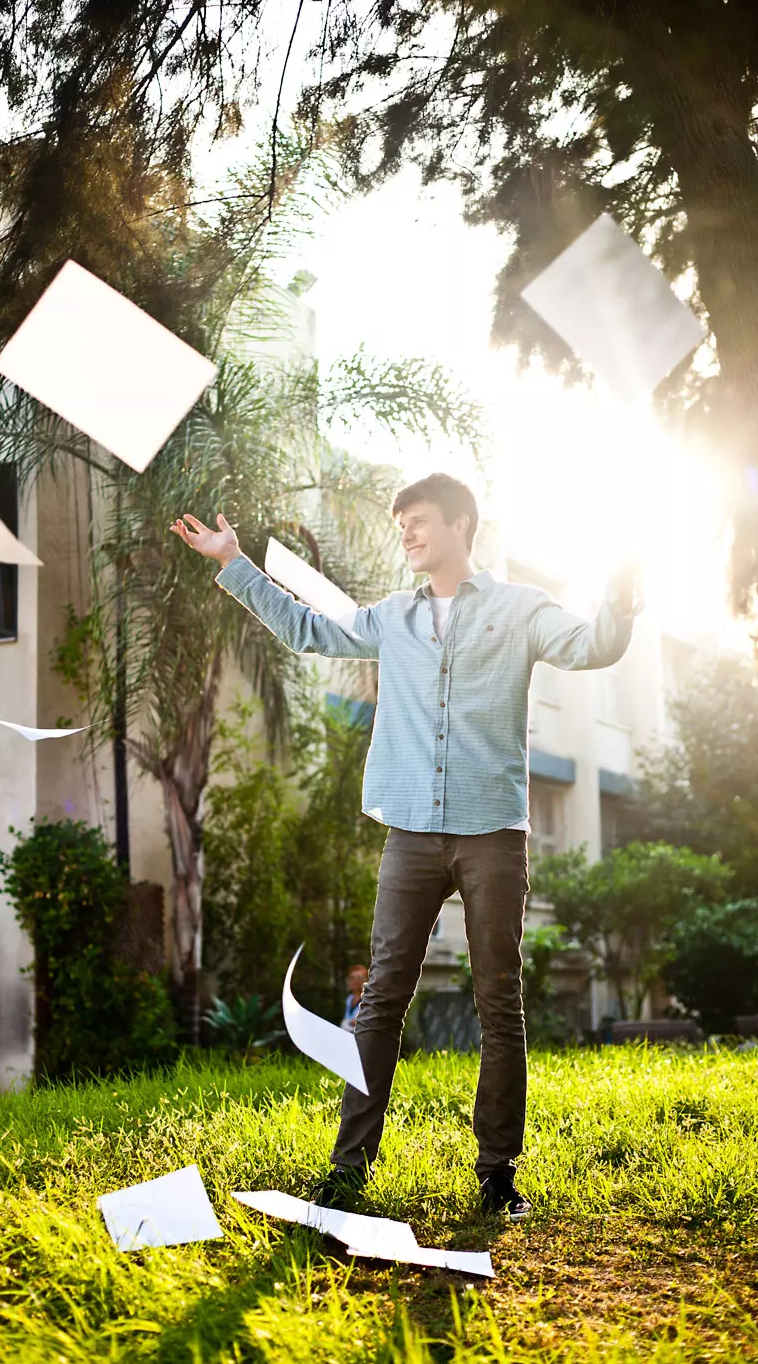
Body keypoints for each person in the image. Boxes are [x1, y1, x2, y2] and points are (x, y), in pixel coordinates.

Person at [172, 473, 639, 1222]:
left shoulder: (520, 608)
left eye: (417, 522)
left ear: (458, 524)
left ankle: (497, 1176)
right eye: (400, 526)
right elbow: (305, 629)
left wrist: (618, 595)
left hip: (491, 831)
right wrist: (234, 562)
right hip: (410, 833)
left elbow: (593, 646)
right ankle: (347, 1170)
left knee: (498, 999)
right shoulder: (390, 617)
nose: (407, 535)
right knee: (380, 998)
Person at [341, 964, 369, 1033]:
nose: (354, 981)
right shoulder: (349, 999)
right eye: (352, 978)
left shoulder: (367, 999)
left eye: (358, 978)